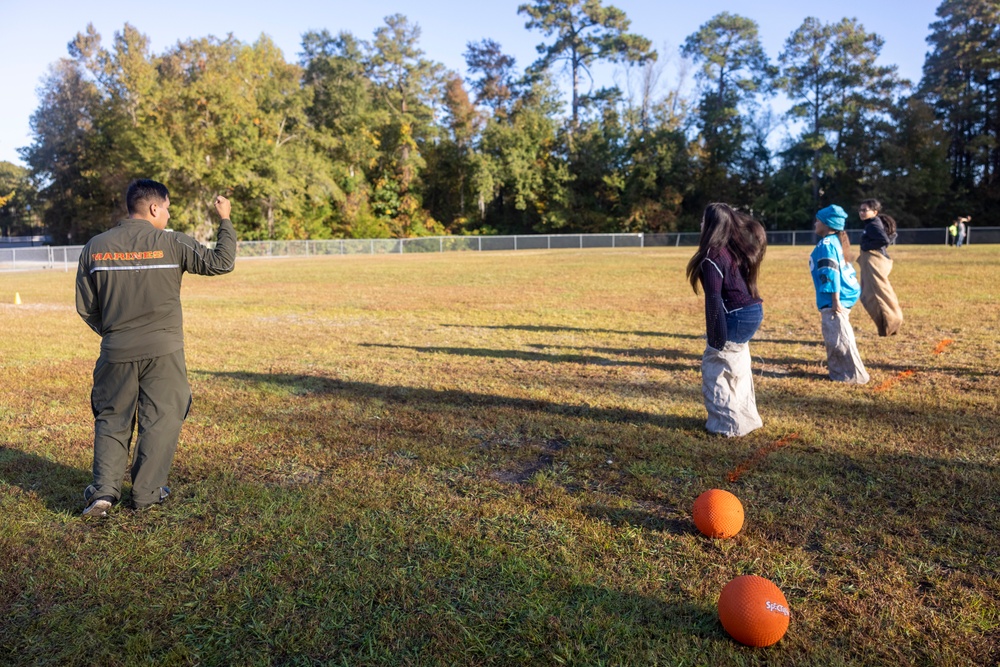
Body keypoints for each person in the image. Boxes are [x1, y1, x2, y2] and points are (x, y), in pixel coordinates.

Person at [75, 179, 237, 517]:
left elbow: (86, 307)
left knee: (112, 419)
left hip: (115, 352)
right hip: (164, 353)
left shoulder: (95, 247)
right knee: (161, 419)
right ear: (153, 208)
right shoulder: (173, 243)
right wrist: (225, 219)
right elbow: (221, 262)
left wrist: (116, 333)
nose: (167, 214)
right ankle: (147, 493)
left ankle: (103, 496)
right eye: (167, 208)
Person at [685, 203, 767, 437]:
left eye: (703, 220)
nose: (700, 224)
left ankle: (727, 426)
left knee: (717, 367)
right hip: (752, 312)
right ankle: (746, 418)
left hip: (736, 316)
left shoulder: (712, 256)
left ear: (711, 225)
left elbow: (714, 300)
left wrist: (715, 338)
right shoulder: (732, 249)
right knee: (737, 366)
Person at [810, 205, 869, 384]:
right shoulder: (835, 241)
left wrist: (835, 301)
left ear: (827, 224)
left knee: (838, 337)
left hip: (835, 298)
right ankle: (842, 372)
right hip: (843, 294)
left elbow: (831, 273)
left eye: (818, 220)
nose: (815, 223)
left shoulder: (827, 244)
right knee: (838, 335)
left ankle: (851, 376)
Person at [856, 199, 903, 336]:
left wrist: (866, 246)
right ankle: (889, 326)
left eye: (865, 210)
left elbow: (884, 240)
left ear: (875, 212)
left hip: (874, 262)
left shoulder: (873, 225)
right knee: (877, 295)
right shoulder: (872, 224)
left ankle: (889, 325)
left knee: (875, 296)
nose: (862, 212)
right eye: (860, 210)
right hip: (873, 262)